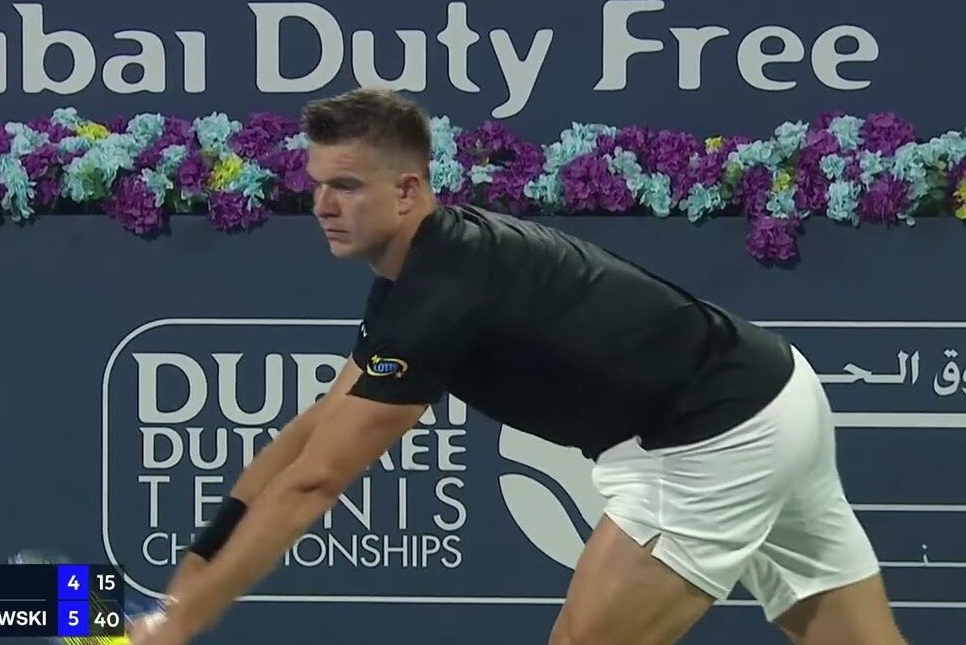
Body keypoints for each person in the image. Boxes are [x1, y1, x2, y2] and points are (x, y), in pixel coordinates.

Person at [127, 87, 908, 645]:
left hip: (710, 437)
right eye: (319, 186)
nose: (325, 205)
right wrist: (199, 563)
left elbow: (315, 482)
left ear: (407, 190)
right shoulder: (423, 274)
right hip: (779, 390)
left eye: (347, 186)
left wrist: (185, 620)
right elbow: (305, 438)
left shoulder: (440, 292)